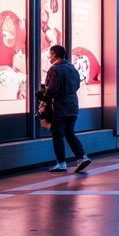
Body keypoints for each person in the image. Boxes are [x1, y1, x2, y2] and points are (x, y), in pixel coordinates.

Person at [40, 45, 90, 173]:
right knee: (69, 133)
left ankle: (61, 163)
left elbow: (51, 90)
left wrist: (43, 92)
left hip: (59, 107)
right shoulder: (72, 68)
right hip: (73, 105)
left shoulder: (54, 69)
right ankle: (82, 157)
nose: (49, 57)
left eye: (50, 54)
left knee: (57, 135)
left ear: (55, 54)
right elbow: (77, 85)